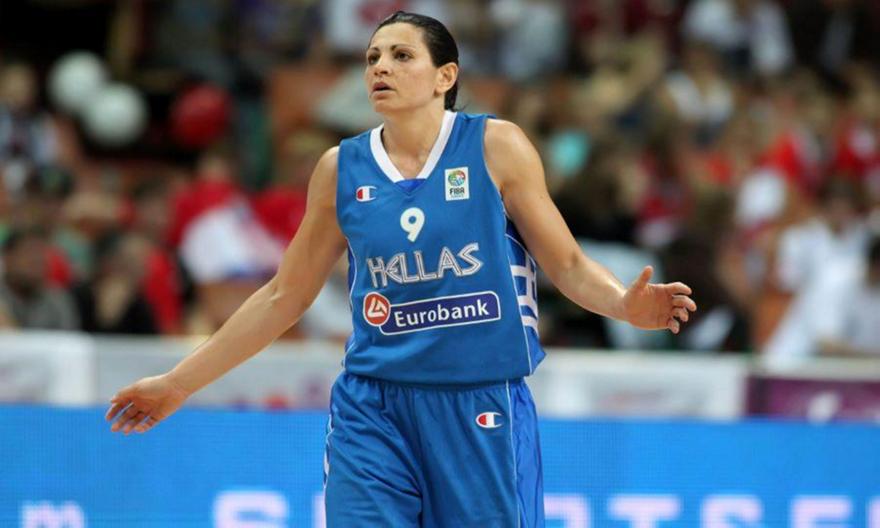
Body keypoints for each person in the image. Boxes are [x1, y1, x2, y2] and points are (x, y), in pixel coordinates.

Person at [106, 11, 697, 527]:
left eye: (401, 55)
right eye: (372, 58)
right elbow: (284, 295)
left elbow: (565, 263)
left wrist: (623, 304)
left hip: (479, 399)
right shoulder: (341, 169)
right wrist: (178, 383)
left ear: (446, 76)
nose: (380, 67)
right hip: (374, 407)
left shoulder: (496, 146)